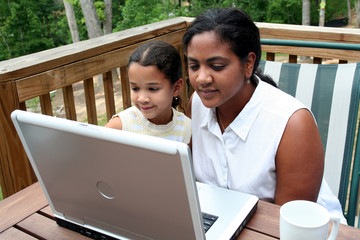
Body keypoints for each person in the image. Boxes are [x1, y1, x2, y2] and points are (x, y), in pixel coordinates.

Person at [182, 8, 347, 223]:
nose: (201, 78)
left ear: (248, 63)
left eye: (217, 66)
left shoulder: (292, 124)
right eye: (194, 66)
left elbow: (288, 225)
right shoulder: (197, 104)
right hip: (226, 226)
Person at [105, 40, 191, 144]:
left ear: (176, 88)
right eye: (135, 88)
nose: (142, 98)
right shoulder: (121, 126)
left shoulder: (187, 130)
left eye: (153, 89)